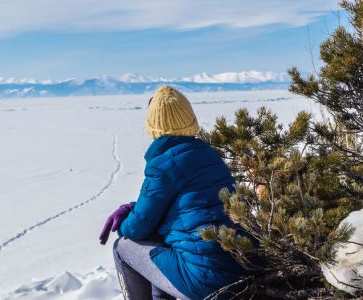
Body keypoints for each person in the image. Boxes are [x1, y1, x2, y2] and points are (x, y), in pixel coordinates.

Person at [99, 86, 254, 300]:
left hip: (205, 281)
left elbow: (137, 227)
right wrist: (135, 208)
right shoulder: (210, 155)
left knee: (123, 247)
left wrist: (125, 220)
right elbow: (186, 205)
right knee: (165, 248)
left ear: (153, 125)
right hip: (238, 269)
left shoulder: (164, 164)